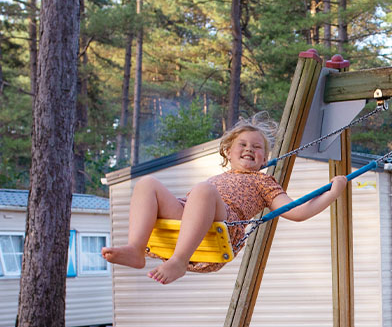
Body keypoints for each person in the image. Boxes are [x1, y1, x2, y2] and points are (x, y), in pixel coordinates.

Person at [101, 115, 347, 284]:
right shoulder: (216, 178)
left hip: (223, 228)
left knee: (203, 190)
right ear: (228, 151)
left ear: (264, 161)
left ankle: (178, 261)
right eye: (243, 144)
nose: (250, 148)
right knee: (147, 184)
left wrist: (332, 193)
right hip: (190, 218)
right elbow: (197, 199)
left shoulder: (263, 182)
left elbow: (297, 211)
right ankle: (135, 249)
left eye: (257, 147)